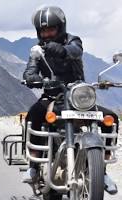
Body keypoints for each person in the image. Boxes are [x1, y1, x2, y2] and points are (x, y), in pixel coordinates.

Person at [22, 5, 118, 194]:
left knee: (111, 118)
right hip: (53, 95)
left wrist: (62, 50)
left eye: (51, 29)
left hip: (77, 95)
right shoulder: (37, 50)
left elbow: (75, 51)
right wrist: (32, 77)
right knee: (33, 115)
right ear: (39, 32)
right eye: (44, 30)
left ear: (60, 28)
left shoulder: (73, 41)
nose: (47, 34)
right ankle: (33, 166)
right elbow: (30, 68)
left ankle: (102, 172)